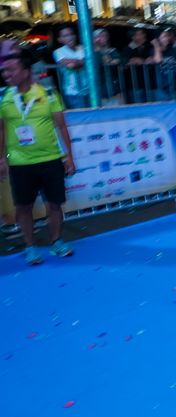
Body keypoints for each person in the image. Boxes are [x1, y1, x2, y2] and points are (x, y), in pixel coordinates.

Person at [0, 51, 76, 264]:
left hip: (51, 160)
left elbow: (61, 126)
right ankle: (30, 247)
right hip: (20, 163)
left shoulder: (48, 94)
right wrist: (2, 158)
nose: (6, 74)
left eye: (11, 70)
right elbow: (1, 130)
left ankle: (57, 242)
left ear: (25, 71)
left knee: (54, 204)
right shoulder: (3, 97)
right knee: (23, 207)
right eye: (4, 71)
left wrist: (69, 157)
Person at [53, 26, 89, 109]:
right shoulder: (58, 52)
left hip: (88, 90)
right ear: (60, 39)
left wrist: (75, 62)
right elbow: (70, 65)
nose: (70, 37)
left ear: (75, 36)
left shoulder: (83, 48)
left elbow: (85, 62)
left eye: (71, 34)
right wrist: (81, 61)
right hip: (72, 92)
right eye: (65, 36)